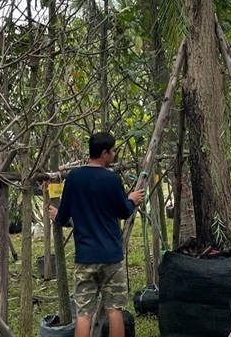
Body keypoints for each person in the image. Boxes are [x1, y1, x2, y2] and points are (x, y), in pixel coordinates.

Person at [48, 132, 144, 337]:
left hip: (85, 257)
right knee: (114, 309)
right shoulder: (111, 179)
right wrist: (132, 199)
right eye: (113, 151)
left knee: (84, 314)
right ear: (104, 153)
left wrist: (56, 216)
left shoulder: (73, 178)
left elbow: (64, 215)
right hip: (111, 256)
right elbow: (123, 211)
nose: (114, 154)